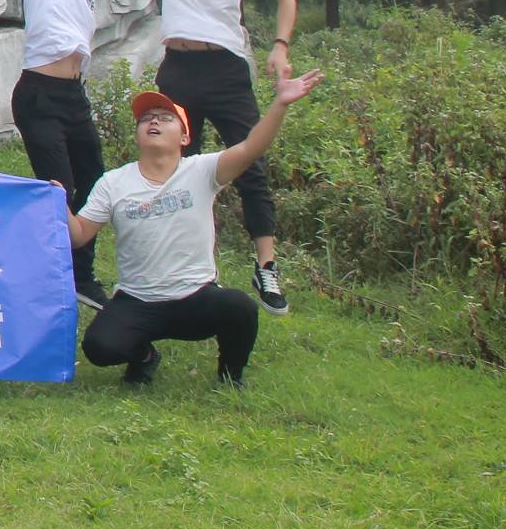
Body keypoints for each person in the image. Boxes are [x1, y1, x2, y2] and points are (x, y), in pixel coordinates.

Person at [150, 0, 301, 316]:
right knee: (174, 167)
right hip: (178, 68)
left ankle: (267, 266)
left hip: (226, 67)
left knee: (249, 161)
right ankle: (180, 267)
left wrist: (280, 45)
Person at [73, 75, 323, 385]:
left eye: (165, 118)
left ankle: (230, 379)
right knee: (99, 347)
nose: (154, 121)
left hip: (195, 299)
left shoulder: (201, 170)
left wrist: (280, 104)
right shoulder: (113, 182)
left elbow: (251, 148)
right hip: (137, 300)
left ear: (184, 137)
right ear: (137, 135)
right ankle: (145, 357)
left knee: (239, 307)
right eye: (146, 119)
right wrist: (57, 203)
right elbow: (79, 234)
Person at [15, 0, 125, 311]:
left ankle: (82, 275)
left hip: (73, 95)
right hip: (40, 93)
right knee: (58, 188)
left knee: (94, 183)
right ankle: (53, 275)